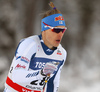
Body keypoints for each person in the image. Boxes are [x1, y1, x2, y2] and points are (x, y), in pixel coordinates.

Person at [4, 2, 67, 92]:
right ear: (44, 30)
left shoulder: (61, 54)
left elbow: (53, 82)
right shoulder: (29, 45)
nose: (60, 35)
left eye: (63, 30)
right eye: (56, 30)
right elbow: (16, 76)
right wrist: (40, 74)